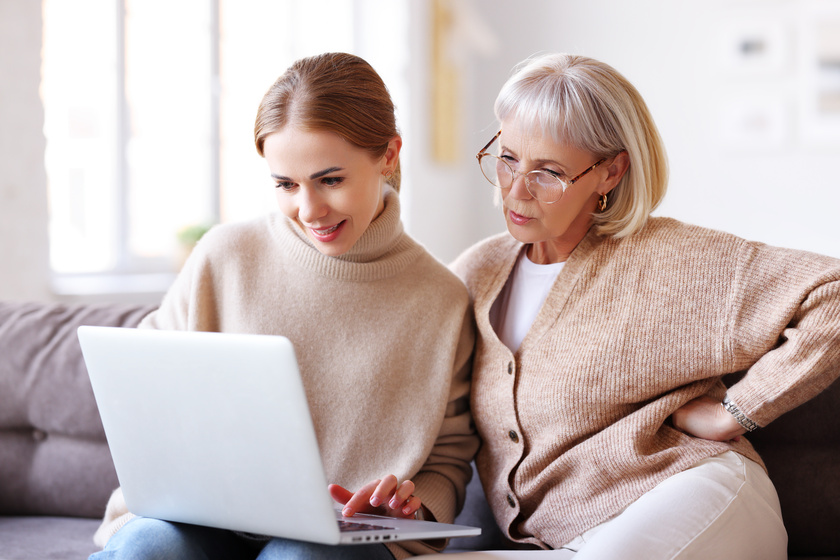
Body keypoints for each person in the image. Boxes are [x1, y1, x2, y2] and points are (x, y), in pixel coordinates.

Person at [442, 53, 840, 559]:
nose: (516, 190)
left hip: (692, 499)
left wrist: (736, 413)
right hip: (569, 543)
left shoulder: (670, 257)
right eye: (507, 158)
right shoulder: (476, 272)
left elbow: (832, 294)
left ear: (610, 172)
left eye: (549, 172)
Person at [90, 52, 478, 560]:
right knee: (147, 548)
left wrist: (411, 509)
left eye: (330, 180)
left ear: (388, 155)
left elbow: (449, 458)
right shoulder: (224, 256)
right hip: (200, 516)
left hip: (337, 539)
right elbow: (141, 391)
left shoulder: (441, 299)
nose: (309, 210)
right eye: (286, 185)